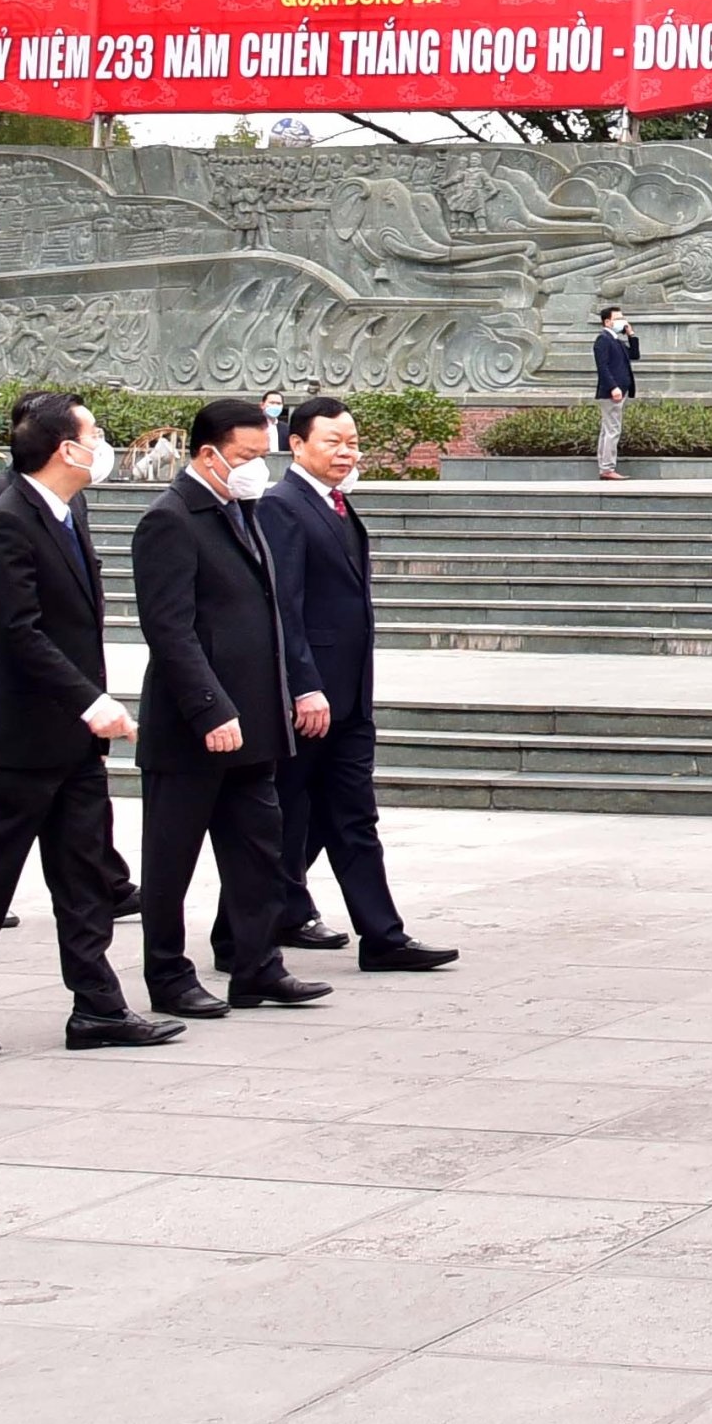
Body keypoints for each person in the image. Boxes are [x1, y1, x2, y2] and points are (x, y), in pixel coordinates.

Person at [0, 395, 181, 1058]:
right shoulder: (6, 522)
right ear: (64, 449)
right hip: (19, 741)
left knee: (83, 875)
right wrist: (89, 700)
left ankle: (98, 1008)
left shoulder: (63, 510)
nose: (104, 444)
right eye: (95, 434)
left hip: (71, 740)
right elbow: (17, 633)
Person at [130, 399, 333, 1020]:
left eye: (261, 455)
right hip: (196, 726)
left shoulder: (242, 512)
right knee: (172, 861)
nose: (256, 469)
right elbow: (170, 630)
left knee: (259, 852)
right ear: (208, 453)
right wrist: (210, 708)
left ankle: (258, 966)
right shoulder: (170, 519)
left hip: (256, 723)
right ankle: (167, 975)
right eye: (245, 457)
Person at [260, 398, 454, 973]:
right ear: (296, 445)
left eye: (352, 442)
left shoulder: (337, 505)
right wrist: (303, 685)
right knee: (287, 819)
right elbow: (283, 609)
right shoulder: (283, 506)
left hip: (350, 696)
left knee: (350, 815)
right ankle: (246, 925)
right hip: (313, 699)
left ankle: (382, 937)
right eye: (332, 443)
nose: (346, 452)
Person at [592, 306, 642, 479]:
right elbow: (602, 367)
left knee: (608, 429)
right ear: (607, 322)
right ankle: (607, 468)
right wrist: (613, 387)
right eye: (619, 318)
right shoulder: (603, 340)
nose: (623, 321)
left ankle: (604, 466)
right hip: (612, 392)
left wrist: (631, 334)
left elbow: (634, 355)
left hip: (621, 391)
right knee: (613, 429)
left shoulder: (616, 340)